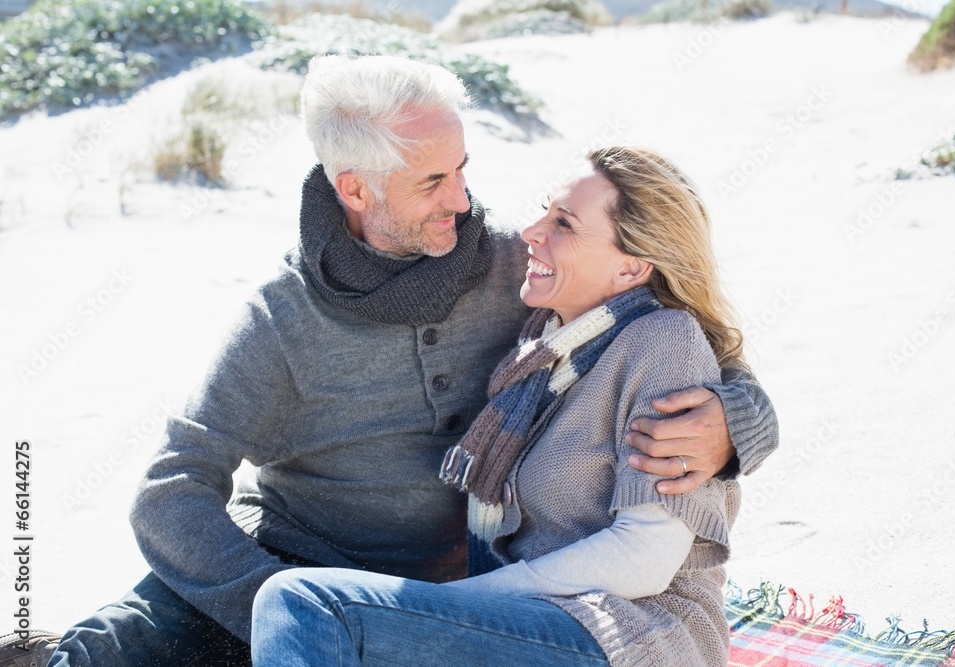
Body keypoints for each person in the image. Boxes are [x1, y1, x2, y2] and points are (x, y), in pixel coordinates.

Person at [11, 56, 776, 667]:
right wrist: (265, 600)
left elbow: (679, 331)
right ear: (356, 189)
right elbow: (171, 487)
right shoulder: (281, 320)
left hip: (455, 595)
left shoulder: (524, 267)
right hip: (295, 566)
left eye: (463, 168)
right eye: (433, 181)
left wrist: (734, 423)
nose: (464, 198)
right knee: (115, 651)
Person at [251, 145, 747, 666]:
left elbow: (647, 555)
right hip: (536, 624)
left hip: (631, 637)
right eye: (544, 209)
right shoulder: (546, 345)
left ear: (631, 269)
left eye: (565, 224)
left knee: (301, 601)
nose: (533, 232)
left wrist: (453, 604)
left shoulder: (663, 342)